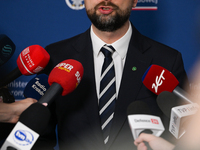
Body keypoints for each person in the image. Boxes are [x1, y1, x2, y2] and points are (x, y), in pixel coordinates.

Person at [33, 0, 188, 149]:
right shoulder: (57, 57)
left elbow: (187, 135)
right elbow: (39, 138)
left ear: (134, 0)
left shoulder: (167, 60)